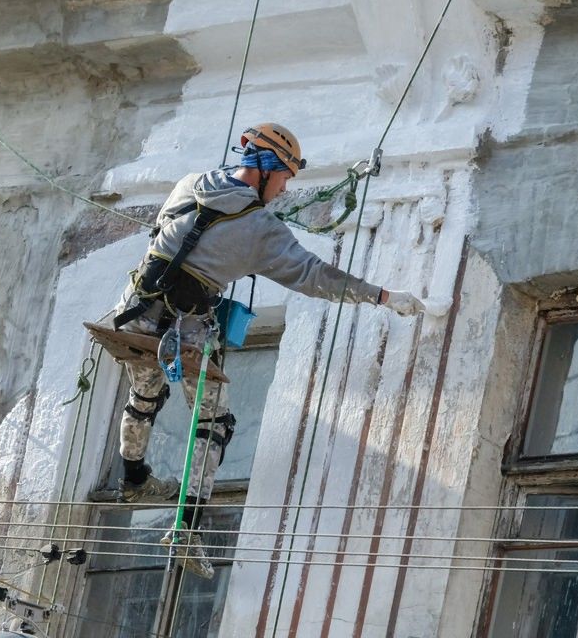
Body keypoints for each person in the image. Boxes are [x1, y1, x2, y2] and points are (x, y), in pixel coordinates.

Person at [111, 122, 424, 578]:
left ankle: (133, 478)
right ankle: (185, 529)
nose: (283, 190)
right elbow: (315, 276)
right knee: (214, 421)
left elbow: (166, 238)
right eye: (284, 178)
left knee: (145, 394)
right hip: (186, 331)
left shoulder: (190, 184)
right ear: (266, 169)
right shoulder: (261, 229)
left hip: (132, 314)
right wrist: (381, 296)